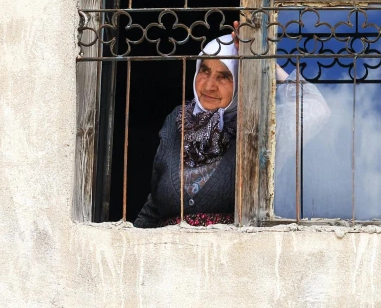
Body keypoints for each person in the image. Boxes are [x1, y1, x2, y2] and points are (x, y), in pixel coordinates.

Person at [134, 21, 330, 227]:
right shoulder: (178, 121)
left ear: (239, 81)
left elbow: (316, 109)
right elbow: (155, 203)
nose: (209, 85)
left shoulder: (258, 128)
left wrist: (262, 61)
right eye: (205, 71)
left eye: (224, 76)